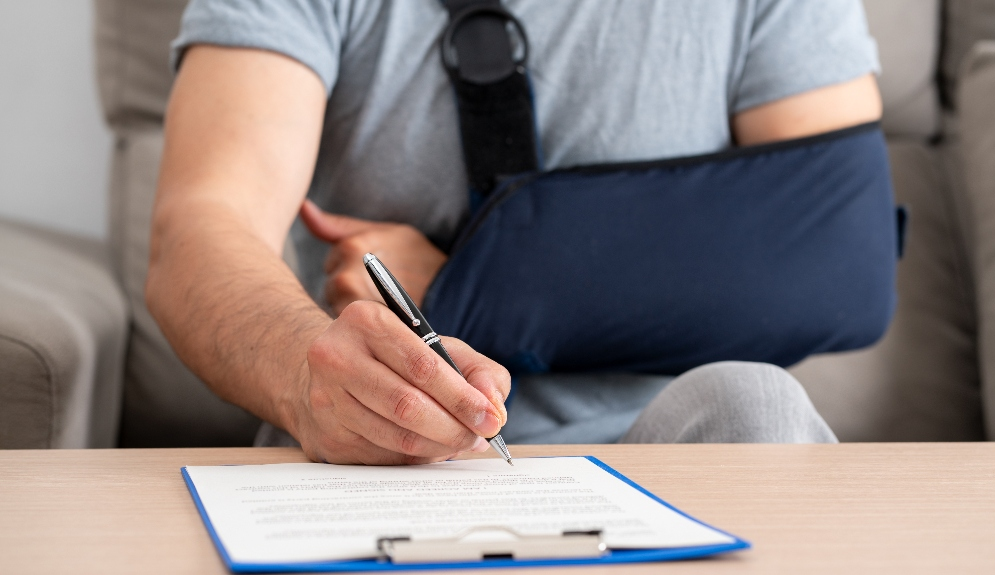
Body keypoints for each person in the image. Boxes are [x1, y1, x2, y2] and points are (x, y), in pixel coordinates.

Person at [149, 0, 883, 463]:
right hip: (384, 450)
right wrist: (305, 372)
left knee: (759, 403)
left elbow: (838, 264)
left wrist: (475, 286)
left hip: (668, 450)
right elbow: (201, 228)